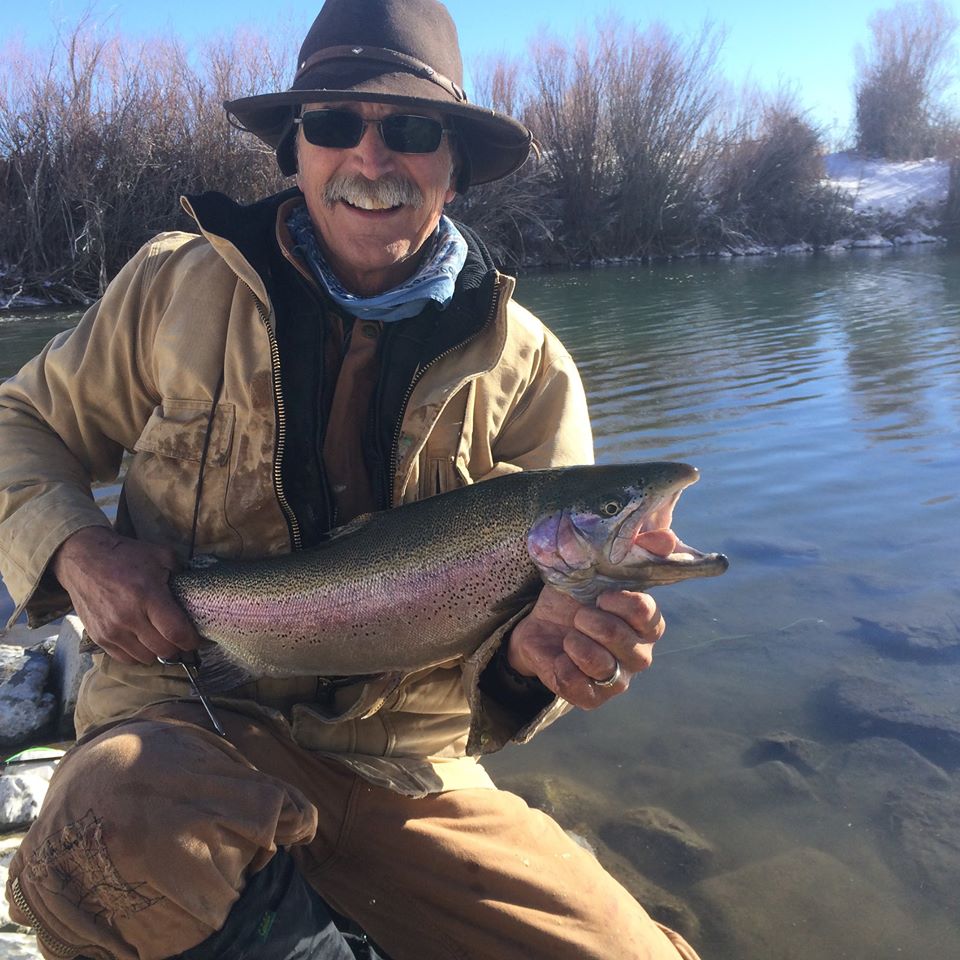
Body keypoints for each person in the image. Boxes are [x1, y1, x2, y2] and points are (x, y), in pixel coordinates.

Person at [0, 1, 701, 958]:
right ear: (296, 150)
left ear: (452, 165)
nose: (371, 160)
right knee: (105, 844)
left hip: (407, 772)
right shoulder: (172, 288)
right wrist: (78, 551)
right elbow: (19, 421)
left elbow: (511, 673)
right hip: (184, 720)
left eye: (411, 130)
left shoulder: (532, 371)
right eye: (334, 123)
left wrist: (534, 660)